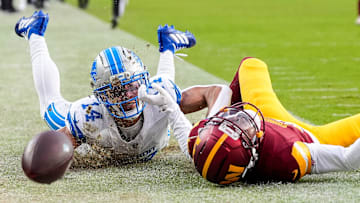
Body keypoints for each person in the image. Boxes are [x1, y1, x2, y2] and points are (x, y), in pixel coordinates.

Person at [15, 11, 197, 167]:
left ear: (143, 82)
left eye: (133, 87)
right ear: (102, 96)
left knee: (164, 92)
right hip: (93, 124)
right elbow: (45, 156)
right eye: (117, 91)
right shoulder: (87, 116)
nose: (128, 96)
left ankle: (168, 45)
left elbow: (210, 93)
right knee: (50, 106)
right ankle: (35, 34)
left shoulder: (158, 94)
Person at [139, 57, 360, 184]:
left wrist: (170, 107)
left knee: (250, 64)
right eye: (242, 127)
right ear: (253, 152)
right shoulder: (287, 155)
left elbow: (190, 141)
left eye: (228, 121)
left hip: (263, 129)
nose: (237, 115)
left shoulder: (207, 146)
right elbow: (347, 160)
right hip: (306, 135)